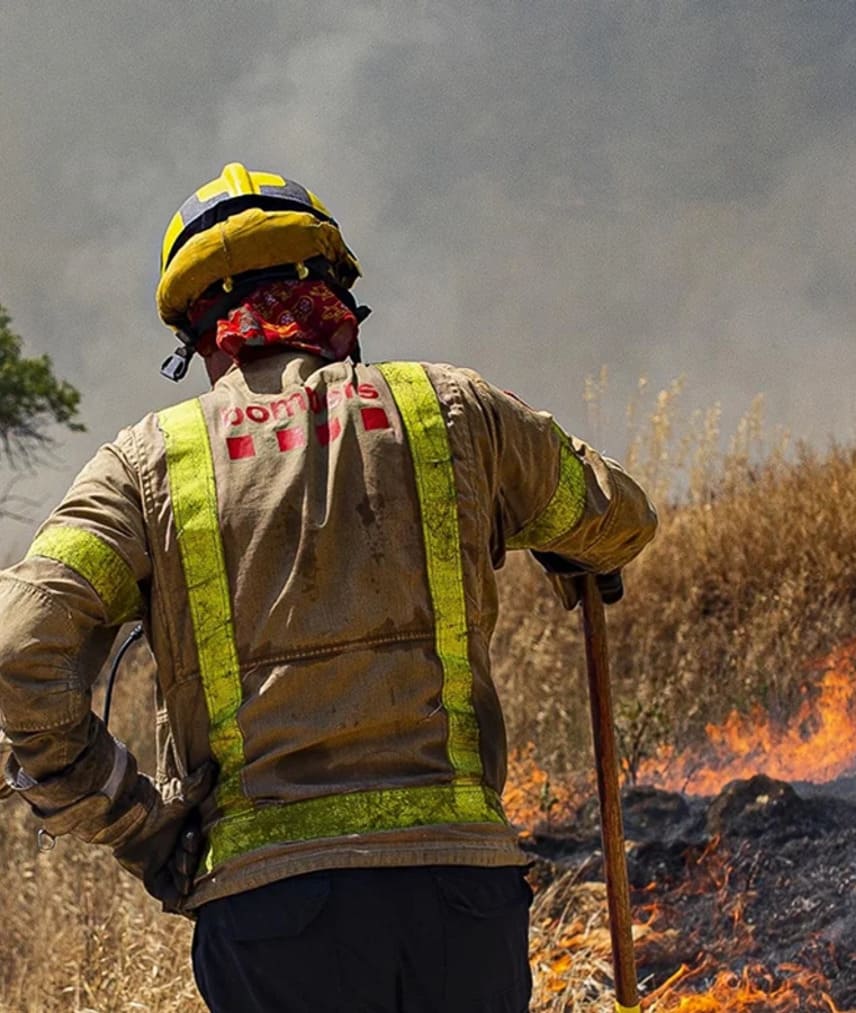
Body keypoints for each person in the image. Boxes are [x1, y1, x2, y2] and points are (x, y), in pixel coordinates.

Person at [0, 163, 657, 1012]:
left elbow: (20, 644)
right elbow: (621, 516)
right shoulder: (452, 409)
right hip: (460, 897)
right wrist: (569, 544)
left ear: (201, 337)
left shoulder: (146, 465)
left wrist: (137, 822)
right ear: (336, 299)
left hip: (272, 917)